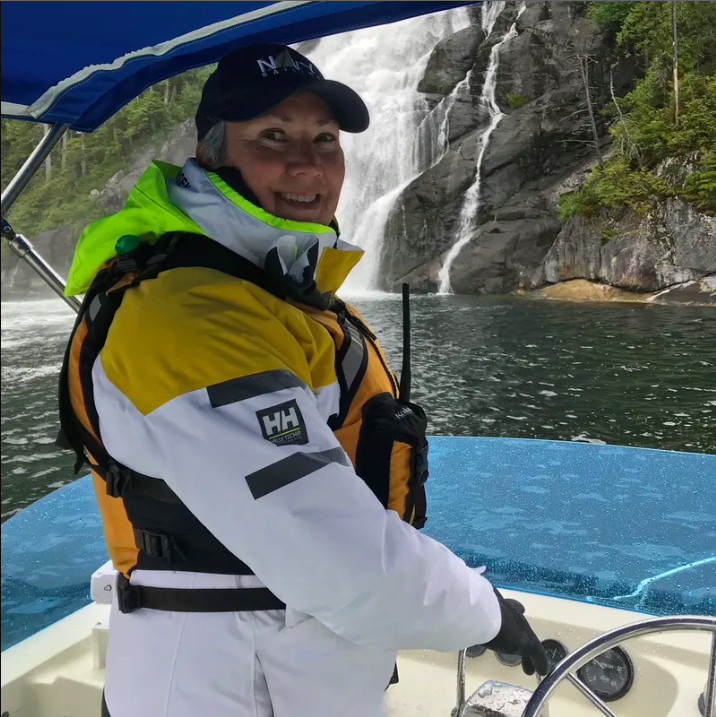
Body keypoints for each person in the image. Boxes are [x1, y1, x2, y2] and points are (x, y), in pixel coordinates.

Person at [58, 43, 548, 717]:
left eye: (324, 139)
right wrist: (484, 611)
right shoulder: (186, 316)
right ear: (209, 153)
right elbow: (333, 551)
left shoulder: (273, 287)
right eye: (272, 136)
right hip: (225, 681)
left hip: (287, 660)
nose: (306, 164)